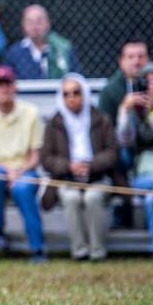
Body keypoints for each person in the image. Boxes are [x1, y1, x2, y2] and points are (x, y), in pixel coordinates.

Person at [41, 74, 118, 261]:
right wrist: (69, 166)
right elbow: (46, 158)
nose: (72, 97)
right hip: (67, 179)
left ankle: (97, 252)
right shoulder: (54, 122)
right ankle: (80, 251)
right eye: (66, 93)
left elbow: (112, 152)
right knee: (71, 197)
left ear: (85, 94)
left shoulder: (101, 119)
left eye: (76, 92)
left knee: (93, 197)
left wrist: (91, 165)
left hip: (98, 177)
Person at [0, 66, 46, 262]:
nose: (4, 88)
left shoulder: (31, 112)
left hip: (25, 169)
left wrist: (20, 171)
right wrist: (5, 172)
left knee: (23, 189)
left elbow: (35, 155)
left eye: (8, 83)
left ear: (15, 86)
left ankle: (38, 249)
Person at [116, 63, 153, 261]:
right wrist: (124, 111)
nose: (151, 86)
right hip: (144, 175)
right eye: (146, 82)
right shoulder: (135, 113)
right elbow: (124, 140)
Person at [99, 38, 151, 229]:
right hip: (122, 153)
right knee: (119, 157)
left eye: (141, 56)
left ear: (149, 59)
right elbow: (104, 134)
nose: (136, 61)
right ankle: (124, 207)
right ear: (121, 61)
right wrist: (124, 109)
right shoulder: (111, 91)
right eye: (130, 57)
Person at [4, 4, 80, 79]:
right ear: (23, 25)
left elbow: (76, 78)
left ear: (48, 23)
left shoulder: (64, 49)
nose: (35, 26)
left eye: (39, 21)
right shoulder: (14, 53)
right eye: (30, 22)